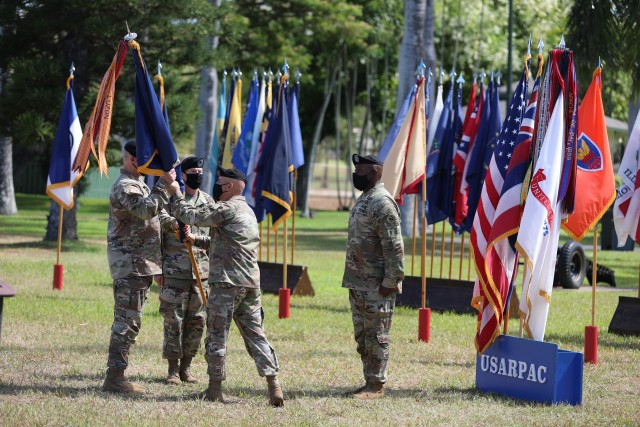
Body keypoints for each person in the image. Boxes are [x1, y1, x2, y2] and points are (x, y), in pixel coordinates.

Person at [167, 167, 284, 407]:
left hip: (227, 283)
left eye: (219, 182)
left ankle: (214, 389)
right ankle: (274, 386)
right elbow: (225, 242)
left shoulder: (225, 208)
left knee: (217, 335)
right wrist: (196, 240)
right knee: (256, 335)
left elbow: (189, 215)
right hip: (250, 284)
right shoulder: (247, 211)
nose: (216, 185)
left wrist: (175, 192)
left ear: (229, 186)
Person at [102, 140, 176, 394]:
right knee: (126, 321)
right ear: (135, 160)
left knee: (130, 321)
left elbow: (153, 217)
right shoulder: (126, 186)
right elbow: (145, 211)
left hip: (140, 263)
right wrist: (164, 184)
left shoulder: (139, 184)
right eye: (148, 160)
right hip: (130, 264)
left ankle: (116, 375)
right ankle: (114, 378)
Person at [342, 153, 405, 400]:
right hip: (358, 281)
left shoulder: (382, 203)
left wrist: (391, 281)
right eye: (356, 171)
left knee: (377, 335)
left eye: (362, 172)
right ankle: (369, 381)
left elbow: (394, 247)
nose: (357, 175)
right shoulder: (365, 199)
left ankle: (377, 385)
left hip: (377, 284)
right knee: (363, 337)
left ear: (376, 173)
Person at [157, 156, 213, 385]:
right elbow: (158, 220)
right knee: (173, 320)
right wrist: (175, 225)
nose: (198, 175)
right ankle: (172, 369)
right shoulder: (171, 198)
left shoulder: (208, 201)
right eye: (193, 171)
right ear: (183, 175)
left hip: (201, 273)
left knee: (197, 321)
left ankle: (186, 368)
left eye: (200, 171)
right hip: (174, 269)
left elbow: (214, 235)